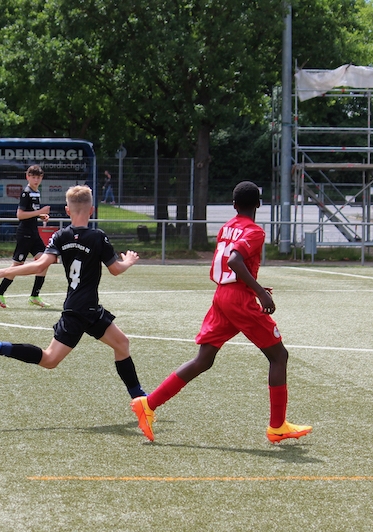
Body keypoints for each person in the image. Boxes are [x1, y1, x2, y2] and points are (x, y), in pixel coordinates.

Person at [129, 181, 311, 444]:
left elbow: (229, 263)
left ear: (234, 205)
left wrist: (253, 286)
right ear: (259, 204)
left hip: (222, 296)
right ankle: (277, 426)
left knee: (203, 360)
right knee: (279, 356)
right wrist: (259, 293)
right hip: (238, 300)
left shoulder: (227, 227)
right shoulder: (255, 231)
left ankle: (148, 404)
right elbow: (235, 260)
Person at [0, 185, 147, 403]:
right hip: (83, 311)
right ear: (91, 210)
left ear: (67, 210)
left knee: (121, 343)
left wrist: (6, 271)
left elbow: (39, 265)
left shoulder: (61, 236)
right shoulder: (98, 237)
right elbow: (115, 269)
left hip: (83, 309)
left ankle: (140, 399)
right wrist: (128, 261)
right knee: (50, 359)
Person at [0, 165, 52, 309]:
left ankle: (34, 296)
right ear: (27, 177)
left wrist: (41, 216)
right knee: (17, 265)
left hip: (34, 233)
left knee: (44, 262)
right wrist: (39, 212)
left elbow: (31, 212)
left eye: (38, 177)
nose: (36, 180)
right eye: (33, 177)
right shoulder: (26, 193)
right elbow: (20, 215)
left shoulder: (36, 192)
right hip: (25, 234)